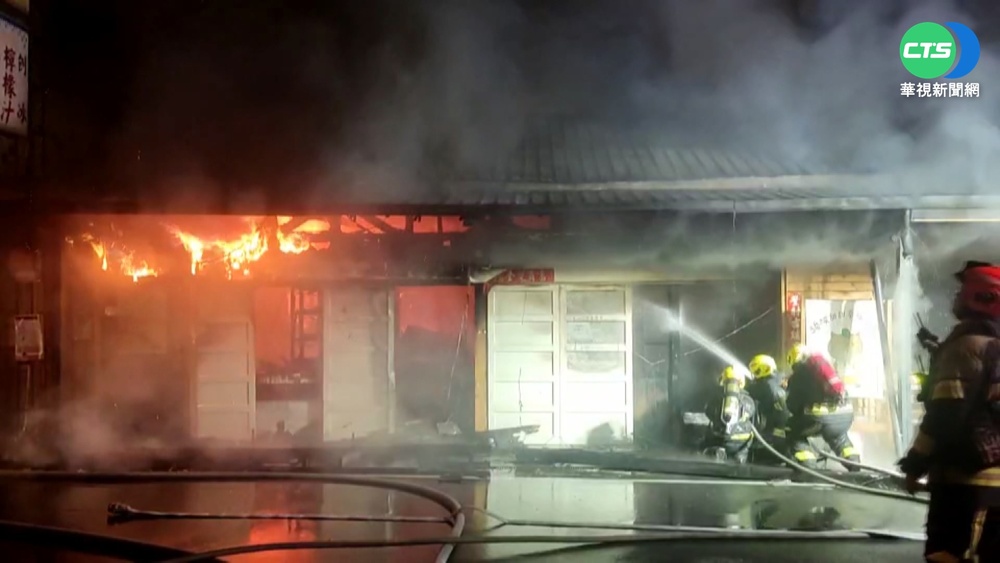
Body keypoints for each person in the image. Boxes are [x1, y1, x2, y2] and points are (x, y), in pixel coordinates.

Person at [898, 261, 1000, 562]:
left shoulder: (964, 348)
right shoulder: (989, 344)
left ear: (980, 296)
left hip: (965, 482)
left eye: (962, 290)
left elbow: (945, 414)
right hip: (992, 484)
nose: (956, 296)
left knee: (946, 555)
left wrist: (915, 464)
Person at [784, 343, 860, 470]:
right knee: (839, 437)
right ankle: (854, 464)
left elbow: (792, 404)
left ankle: (807, 464)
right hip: (845, 414)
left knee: (793, 431)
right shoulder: (825, 368)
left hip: (820, 417)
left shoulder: (799, 374)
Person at [703, 366, 756, 464]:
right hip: (742, 441)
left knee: (705, 445)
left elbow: (708, 412)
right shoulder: (749, 400)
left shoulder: (716, 397)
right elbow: (754, 419)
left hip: (720, 438)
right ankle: (740, 457)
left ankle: (716, 452)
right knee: (742, 455)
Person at [746, 354, 789, 460]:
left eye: (756, 371)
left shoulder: (768, 387)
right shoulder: (775, 382)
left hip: (771, 437)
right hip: (772, 434)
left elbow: (782, 415)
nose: (754, 374)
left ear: (766, 369)